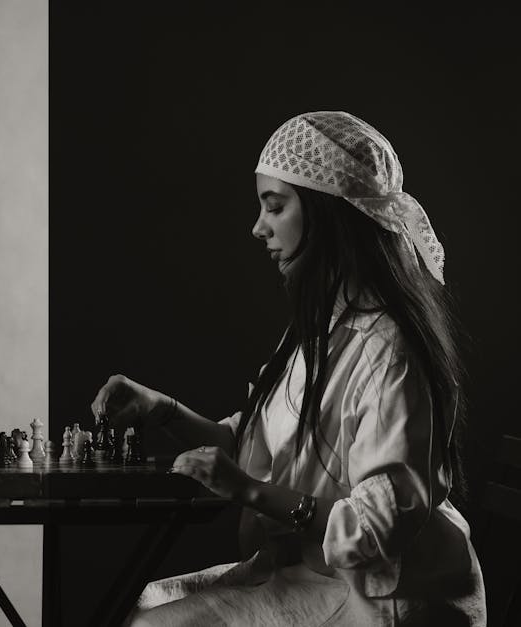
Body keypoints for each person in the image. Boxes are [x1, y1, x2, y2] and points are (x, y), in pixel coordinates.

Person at [92, 112, 485, 625]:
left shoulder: (391, 350)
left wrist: (249, 492)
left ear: (330, 214)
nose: (259, 228)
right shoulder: (320, 330)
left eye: (275, 206)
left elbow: (373, 530)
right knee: (142, 605)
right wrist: (161, 410)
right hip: (312, 575)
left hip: (384, 597)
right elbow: (257, 448)